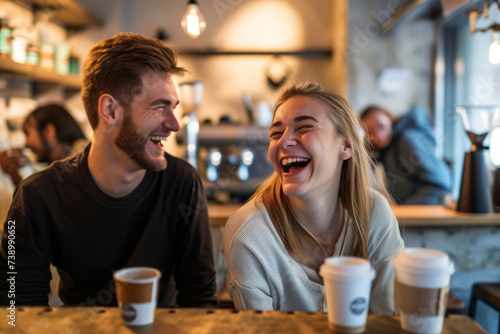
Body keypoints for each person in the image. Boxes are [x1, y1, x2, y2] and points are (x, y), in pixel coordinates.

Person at [0, 33, 217, 307]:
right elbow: (14, 307)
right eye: (160, 107)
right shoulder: (36, 195)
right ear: (110, 110)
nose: (175, 125)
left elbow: (200, 297)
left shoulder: (182, 182)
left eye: (173, 108)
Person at [222, 82, 404, 313]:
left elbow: (387, 321)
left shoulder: (374, 214)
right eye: (276, 133)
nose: (284, 141)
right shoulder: (249, 234)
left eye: (304, 127)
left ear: (346, 145)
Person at [360, 105, 452, 205]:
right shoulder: (385, 149)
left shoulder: (407, 140)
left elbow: (440, 183)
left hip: (426, 211)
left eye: (380, 125)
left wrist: (407, 206)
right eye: (369, 132)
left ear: (390, 120)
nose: (378, 135)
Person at [0, 104, 87, 186]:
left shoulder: (81, 153)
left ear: (48, 131)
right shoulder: (60, 168)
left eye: (28, 134)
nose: (26, 144)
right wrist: (15, 176)